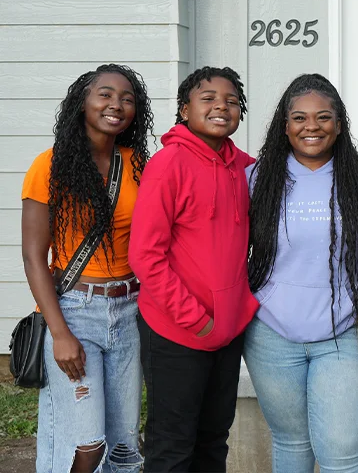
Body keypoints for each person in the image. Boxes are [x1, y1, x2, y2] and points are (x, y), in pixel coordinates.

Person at [21, 64, 153, 473]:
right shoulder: (49, 166)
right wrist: (60, 334)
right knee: (87, 444)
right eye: (106, 95)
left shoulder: (138, 165)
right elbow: (32, 256)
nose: (117, 105)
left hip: (130, 310)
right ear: (83, 102)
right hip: (75, 312)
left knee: (124, 445)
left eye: (128, 99)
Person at [243, 74, 358, 473]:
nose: (311, 126)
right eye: (299, 118)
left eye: (323, 117)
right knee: (291, 444)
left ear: (339, 124)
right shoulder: (257, 178)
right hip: (271, 334)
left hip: (344, 333)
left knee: (341, 452)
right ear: (285, 126)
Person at [129, 66, 259, 473]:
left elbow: (299, 167)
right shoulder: (168, 164)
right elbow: (145, 256)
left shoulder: (245, 167)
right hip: (177, 330)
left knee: (213, 439)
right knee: (172, 443)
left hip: (228, 329)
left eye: (232, 101)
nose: (222, 106)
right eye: (208, 99)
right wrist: (197, 321)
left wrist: (355, 162)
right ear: (185, 110)